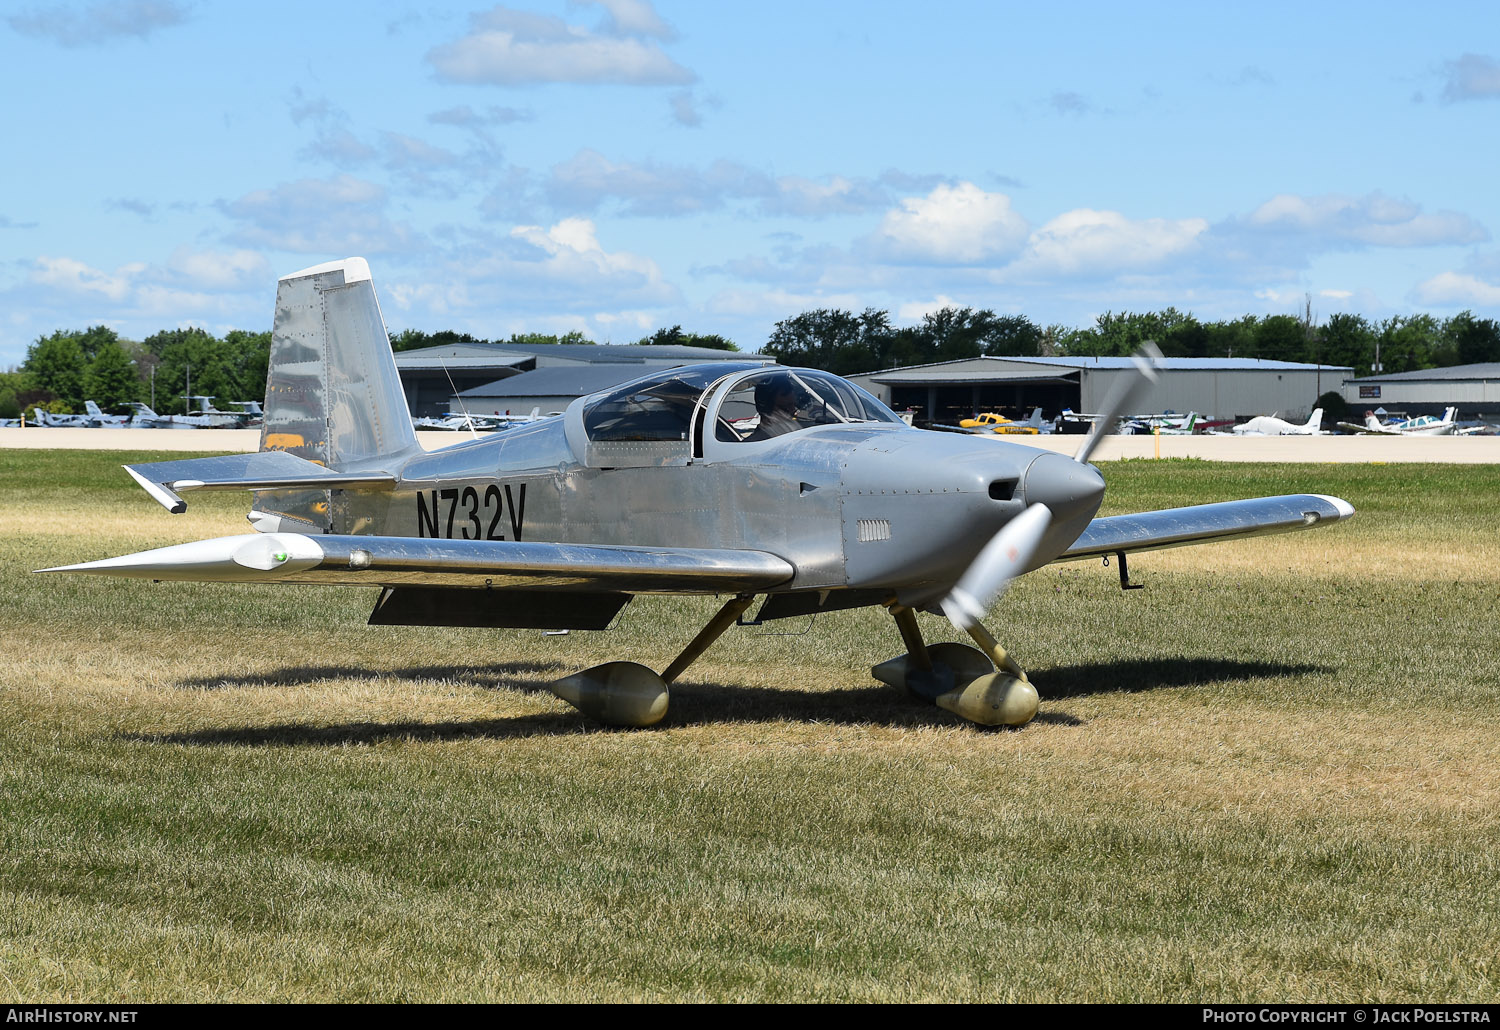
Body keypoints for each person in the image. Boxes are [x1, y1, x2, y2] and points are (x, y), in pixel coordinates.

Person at [747, 376, 803, 440]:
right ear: (767, 407)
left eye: (794, 406)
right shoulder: (757, 442)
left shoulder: (796, 430)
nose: (793, 411)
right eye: (786, 408)